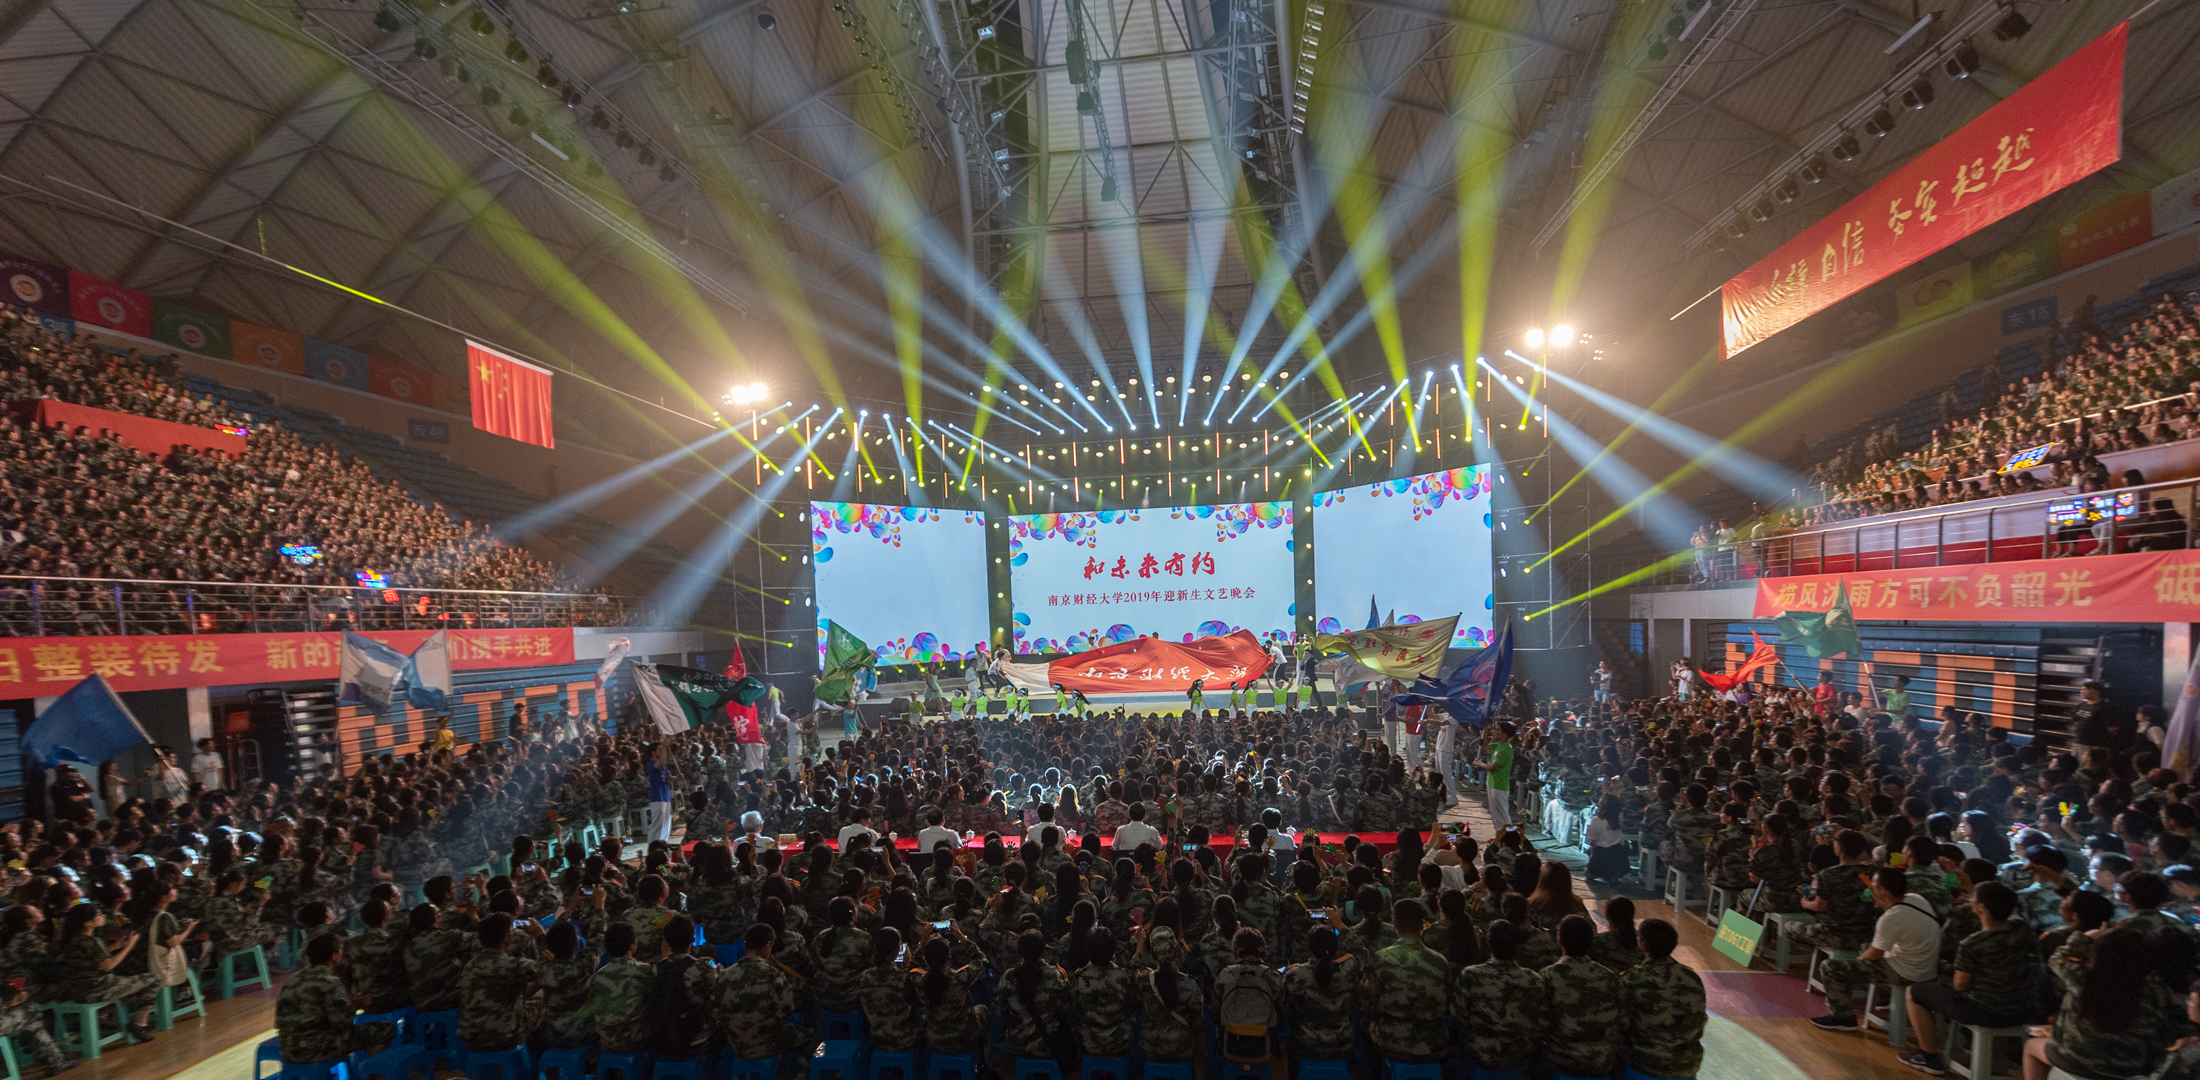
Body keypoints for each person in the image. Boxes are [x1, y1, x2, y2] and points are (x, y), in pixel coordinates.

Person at [1901, 881, 2045, 1074]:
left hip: (1986, 1011)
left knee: (1914, 992)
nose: (1970, 900)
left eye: (1973, 898)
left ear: (1981, 907)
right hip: (2024, 1009)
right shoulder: (2023, 929)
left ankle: (1928, 1056)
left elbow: (1959, 985)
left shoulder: (1973, 943)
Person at [2023, 927, 2167, 1080]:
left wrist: (2084, 937)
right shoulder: (2155, 993)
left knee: (2030, 1047)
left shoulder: (2081, 978)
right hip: (2126, 1071)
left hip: (2075, 1061)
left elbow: (2057, 959)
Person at [1811, 866, 1942, 1031]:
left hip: (1906, 973)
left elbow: (1873, 955)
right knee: (1866, 946)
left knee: (1831, 967)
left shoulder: (1890, 918)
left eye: (1873, 887)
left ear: (1883, 891)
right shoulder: (1917, 899)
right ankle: (1884, 1001)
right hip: (1928, 970)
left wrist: (1853, 965)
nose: (1870, 891)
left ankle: (1842, 1017)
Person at [276, 934, 393, 1065]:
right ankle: (370, 1072)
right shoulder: (330, 982)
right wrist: (354, 1006)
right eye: (340, 949)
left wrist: (345, 1004)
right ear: (334, 956)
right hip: (316, 1049)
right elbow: (342, 1023)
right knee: (385, 1029)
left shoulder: (292, 980)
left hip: (288, 1050)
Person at [1364, 898, 1448, 1064]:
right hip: (1433, 1044)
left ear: (1394, 924)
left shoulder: (1380, 959)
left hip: (1392, 1042)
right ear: (1422, 924)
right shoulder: (1440, 961)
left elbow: (1368, 1003)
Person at [1620, 919, 1706, 1079]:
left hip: (1644, 1065)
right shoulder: (1691, 978)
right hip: (1683, 1066)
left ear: (1643, 945)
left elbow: (1621, 1024)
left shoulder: (1631, 979)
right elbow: (1697, 1020)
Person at [1541, 915, 1622, 1078]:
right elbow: (1623, 1021)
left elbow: (1540, 1022)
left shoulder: (1548, 976)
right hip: (1601, 1061)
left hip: (1561, 1060)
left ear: (1559, 940)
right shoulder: (1610, 977)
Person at [457, 914, 545, 1053]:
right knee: (547, 994)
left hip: (471, 1037)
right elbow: (551, 972)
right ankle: (544, 1048)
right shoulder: (511, 965)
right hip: (505, 1036)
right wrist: (540, 937)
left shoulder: (469, 966)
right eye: (512, 931)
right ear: (506, 937)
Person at [1474, 723, 1516, 828]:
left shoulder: (1505, 749)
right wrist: (1485, 730)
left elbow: (1492, 768)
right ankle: (1500, 834)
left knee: (1502, 815)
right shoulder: (1499, 745)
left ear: (1504, 734)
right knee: (1495, 815)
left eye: (1498, 730)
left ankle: (1510, 835)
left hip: (1499, 786)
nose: (1495, 732)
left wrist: (1479, 763)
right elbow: (1484, 746)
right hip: (1492, 784)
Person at [644, 743, 674, 845]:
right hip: (657, 796)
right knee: (657, 824)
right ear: (653, 752)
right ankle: (652, 845)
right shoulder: (650, 763)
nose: (662, 751)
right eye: (659, 749)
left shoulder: (663, 765)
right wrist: (665, 747)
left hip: (666, 796)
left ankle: (663, 843)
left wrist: (678, 777)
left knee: (666, 823)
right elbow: (661, 763)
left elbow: (669, 777)